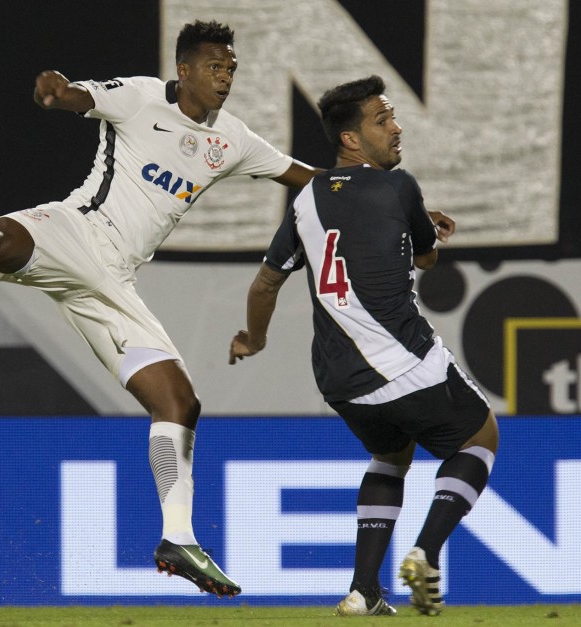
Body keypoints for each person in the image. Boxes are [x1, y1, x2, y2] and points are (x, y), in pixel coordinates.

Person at [0, 20, 321, 597]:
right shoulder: (141, 96)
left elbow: (313, 183)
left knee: (179, 401)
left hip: (113, 283)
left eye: (231, 68)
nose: (226, 78)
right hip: (75, 230)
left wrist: (395, 205)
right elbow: (78, 95)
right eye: (215, 67)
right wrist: (57, 89)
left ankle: (177, 539)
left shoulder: (234, 139)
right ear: (184, 69)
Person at [228, 75, 499, 616]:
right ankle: (426, 551)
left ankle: (364, 591)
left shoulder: (305, 198)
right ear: (351, 138)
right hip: (402, 359)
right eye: (382, 120)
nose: (396, 128)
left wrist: (252, 339)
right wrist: (426, 229)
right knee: (479, 439)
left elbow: (264, 284)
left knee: (390, 456)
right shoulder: (400, 187)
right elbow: (425, 258)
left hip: (339, 380)